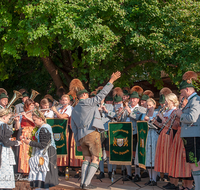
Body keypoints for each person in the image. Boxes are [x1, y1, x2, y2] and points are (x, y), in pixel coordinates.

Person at [71, 71, 121, 189]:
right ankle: (87, 183)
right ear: (83, 96)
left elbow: (73, 127)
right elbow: (101, 95)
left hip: (81, 137)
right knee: (96, 159)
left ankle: (82, 182)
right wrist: (111, 80)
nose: (89, 96)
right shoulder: (88, 102)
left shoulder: (74, 109)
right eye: (87, 95)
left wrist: (77, 142)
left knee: (87, 158)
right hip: (92, 133)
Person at [22, 109, 58, 189]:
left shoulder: (44, 128)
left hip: (47, 153)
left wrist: (30, 142)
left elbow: (43, 145)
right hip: (45, 152)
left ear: (40, 119)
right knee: (41, 175)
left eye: (34, 120)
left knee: (44, 175)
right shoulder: (43, 127)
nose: (33, 122)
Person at [176, 71, 200, 190]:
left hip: (193, 136)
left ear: (187, 89)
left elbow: (192, 118)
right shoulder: (191, 100)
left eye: (182, 91)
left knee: (195, 163)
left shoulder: (195, 100)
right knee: (193, 163)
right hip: (189, 136)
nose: (181, 93)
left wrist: (180, 115)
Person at [121, 86, 146, 182]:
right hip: (125, 133)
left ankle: (137, 174)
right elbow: (121, 120)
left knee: (135, 155)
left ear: (138, 100)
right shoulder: (126, 108)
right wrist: (121, 112)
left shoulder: (141, 109)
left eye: (134, 98)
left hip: (135, 133)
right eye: (131, 98)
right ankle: (128, 174)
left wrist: (130, 112)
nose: (132, 100)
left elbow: (140, 118)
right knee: (126, 154)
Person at [154, 93, 179, 189]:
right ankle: (170, 181)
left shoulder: (175, 111)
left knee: (170, 158)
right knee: (164, 158)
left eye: (167, 101)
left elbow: (175, 126)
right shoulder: (167, 111)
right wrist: (156, 122)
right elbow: (163, 126)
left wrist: (161, 118)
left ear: (171, 101)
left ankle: (174, 183)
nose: (165, 102)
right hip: (163, 135)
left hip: (170, 136)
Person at [168, 95, 193, 190]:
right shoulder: (181, 109)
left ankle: (189, 186)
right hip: (179, 136)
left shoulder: (191, 110)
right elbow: (175, 126)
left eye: (183, 98)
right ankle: (184, 185)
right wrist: (174, 120)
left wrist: (180, 117)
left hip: (187, 136)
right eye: (180, 98)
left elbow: (191, 122)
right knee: (180, 162)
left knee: (187, 161)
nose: (181, 100)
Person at [0, 108, 21, 189]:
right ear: (4, 117)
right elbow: (5, 142)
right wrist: (16, 143)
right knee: (4, 170)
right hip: (3, 151)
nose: (9, 120)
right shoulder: (3, 125)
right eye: (8, 118)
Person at [15, 98, 35, 174]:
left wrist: (26, 116)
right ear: (27, 106)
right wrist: (17, 120)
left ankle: (31, 170)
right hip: (24, 134)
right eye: (31, 105)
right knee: (24, 153)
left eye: (33, 105)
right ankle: (23, 170)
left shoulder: (34, 114)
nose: (33, 107)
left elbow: (35, 122)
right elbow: (17, 128)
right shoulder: (22, 114)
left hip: (32, 134)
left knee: (31, 152)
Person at [142, 98, 159, 186]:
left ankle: (155, 179)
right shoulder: (145, 114)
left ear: (154, 105)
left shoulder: (157, 113)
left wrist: (153, 121)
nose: (149, 107)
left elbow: (160, 125)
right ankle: (150, 178)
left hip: (155, 135)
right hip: (147, 135)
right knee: (148, 157)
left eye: (150, 105)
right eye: (147, 105)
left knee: (154, 156)